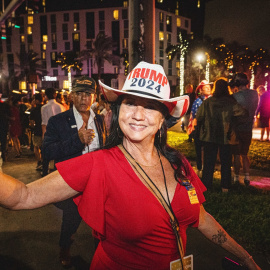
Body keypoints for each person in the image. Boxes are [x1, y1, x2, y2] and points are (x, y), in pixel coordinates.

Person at [0, 62, 261, 270]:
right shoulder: (99, 164)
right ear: (118, 111)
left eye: (150, 107)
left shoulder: (178, 162)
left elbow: (201, 217)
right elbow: (23, 196)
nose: (138, 114)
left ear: (162, 120)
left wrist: (246, 258)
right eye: (130, 103)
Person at [42, 76, 106, 267]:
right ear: (71, 96)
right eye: (79, 93)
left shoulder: (100, 120)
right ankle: (65, 247)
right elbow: (47, 151)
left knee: (100, 222)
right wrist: (76, 141)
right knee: (70, 220)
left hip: (97, 181)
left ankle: (100, 255)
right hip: (72, 182)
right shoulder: (58, 121)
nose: (83, 98)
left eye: (88, 94)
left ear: (94, 98)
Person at [196, 78, 247, 192]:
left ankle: (206, 186)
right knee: (226, 162)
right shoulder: (231, 102)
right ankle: (225, 187)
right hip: (226, 136)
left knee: (209, 162)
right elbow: (244, 113)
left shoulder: (207, 102)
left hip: (209, 135)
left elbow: (199, 117)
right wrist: (235, 122)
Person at [230, 73, 258, 185]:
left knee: (236, 154)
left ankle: (236, 177)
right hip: (248, 128)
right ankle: (247, 177)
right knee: (245, 154)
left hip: (237, 129)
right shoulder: (255, 94)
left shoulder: (235, 96)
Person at [41, 88, 65, 176]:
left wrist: (44, 136)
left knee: (46, 157)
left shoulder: (44, 108)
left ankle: (45, 174)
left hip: (49, 134)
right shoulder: (61, 107)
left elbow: (44, 124)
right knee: (58, 156)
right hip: (60, 134)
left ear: (46, 96)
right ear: (55, 95)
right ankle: (56, 174)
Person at [190, 80, 212, 177]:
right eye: (205, 87)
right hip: (200, 128)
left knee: (209, 149)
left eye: (209, 87)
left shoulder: (212, 100)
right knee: (199, 148)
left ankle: (207, 167)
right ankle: (200, 167)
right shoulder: (198, 101)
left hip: (210, 129)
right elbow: (195, 115)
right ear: (201, 91)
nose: (208, 89)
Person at [30, 93, 44, 170]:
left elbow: (32, 123)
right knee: (43, 147)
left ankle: (39, 162)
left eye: (34, 99)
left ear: (37, 100)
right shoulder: (45, 108)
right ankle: (43, 161)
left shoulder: (34, 110)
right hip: (45, 130)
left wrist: (33, 126)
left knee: (36, 146)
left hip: (37, 130)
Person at [0, 94, 11, 161]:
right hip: (4, 124)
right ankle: (3, 152)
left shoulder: (5, 105)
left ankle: (3, 152)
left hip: (3, 124)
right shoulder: (5, 105)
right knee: (3, 140)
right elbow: (9, 115)